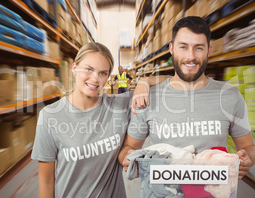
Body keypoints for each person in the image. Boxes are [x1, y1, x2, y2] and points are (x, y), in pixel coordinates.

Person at [118, 16, 255, 180]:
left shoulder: (230, 96)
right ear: (171, 49)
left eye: (198, 48)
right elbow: (128, 148)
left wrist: (247, 158)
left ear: (209, 51)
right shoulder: (148, 97)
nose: (190, 56)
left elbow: (249, 148)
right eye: (183, 47)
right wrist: (129, 158)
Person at [31, 42, 168, 198]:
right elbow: (46, 181)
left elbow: (172, 81)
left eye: (103, 73)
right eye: (89, 69)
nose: (95, 78)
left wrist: (144, 82)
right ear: (74, 68)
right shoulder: (50, 116)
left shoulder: (118, 105)